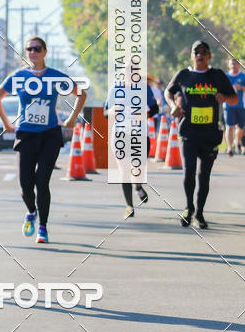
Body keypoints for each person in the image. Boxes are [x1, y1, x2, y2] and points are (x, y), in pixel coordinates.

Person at [0, 36, 87, 244]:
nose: (32, 52)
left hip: (50, 134)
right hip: (26, 133)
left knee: (42, 182)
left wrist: (71, 119)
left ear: (44, 51)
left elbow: (81, 94)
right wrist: (7, 123)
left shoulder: (54, 76)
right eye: (29, 49)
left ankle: (42, 228)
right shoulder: (18, 77)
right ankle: (31, 212)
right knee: (26, 184)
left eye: (36, 48)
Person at [165, 40, 237, 228]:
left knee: (203, 175)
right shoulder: (183, 75)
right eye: (196, 52)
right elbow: (168, 92)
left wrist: (224, 98)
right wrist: (173, 106)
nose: (200, 55)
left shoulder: (217, 75)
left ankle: (200, 213)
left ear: (209, 56)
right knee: (189, 172)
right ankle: (189, 208)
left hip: (210, 134)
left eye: (204, 52)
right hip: (188, 132)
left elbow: (234, 98)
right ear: (192, 55)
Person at [104, 82, 159, 220]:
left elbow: (155, 108)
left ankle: (138, 187)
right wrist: (111, 112)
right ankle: (129, 206)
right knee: (124, 170)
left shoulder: (144, 87)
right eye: (127, 69)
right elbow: (105, 111)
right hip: (120, 134)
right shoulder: (115, 88)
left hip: (140, 135)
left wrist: (145, 114)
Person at [223, 57, 245, 155]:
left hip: (241, 105)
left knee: (241, 128)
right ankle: (229, 147)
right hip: (228, 106)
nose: (233, 65)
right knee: (229, 127)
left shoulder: (243, 76)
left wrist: (242, 87)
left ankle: (237, 141)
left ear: (239, 65)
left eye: (235, 63)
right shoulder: (225, 76)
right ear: (229, 65)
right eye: (231, 63)